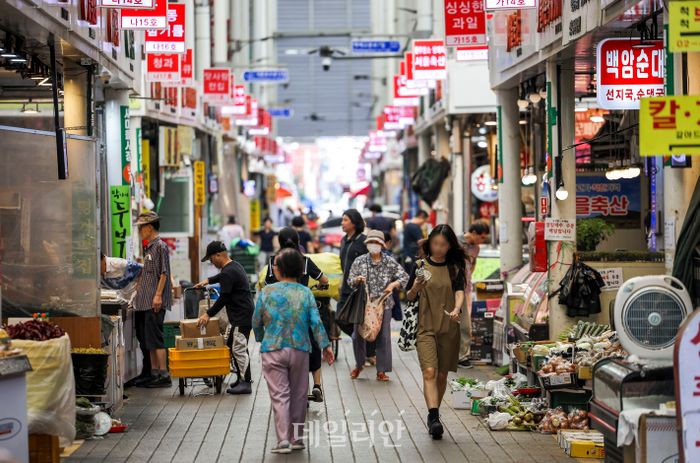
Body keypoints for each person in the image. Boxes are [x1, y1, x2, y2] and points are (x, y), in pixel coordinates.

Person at [253, 248, 335, 454]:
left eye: (275, 265)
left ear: (280, 270)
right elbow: (316, 322)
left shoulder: (267, 292)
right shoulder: (305, 292)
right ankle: (297, 439)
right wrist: (326, 346)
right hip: (300, 349)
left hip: (272, 349)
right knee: (299, 394)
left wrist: (262, 339)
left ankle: (283, 441)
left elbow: (255, 321)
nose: (273, 267)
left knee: (280, 395)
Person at [406, 224, 467, 439]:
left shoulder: (454, 268)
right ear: (429, 242)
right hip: (426, 327)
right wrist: (415, 287)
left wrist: (457, 309)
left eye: (443, 244)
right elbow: (410, 296)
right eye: (435, 243)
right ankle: (433, 417)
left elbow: (460, 292)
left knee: (442, 374)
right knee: (430, 371)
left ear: (450, 246)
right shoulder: (420, 266)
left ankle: (435, 412)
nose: (438, 248)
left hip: (449, 326)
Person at [262, 227, 330, 402]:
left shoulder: (273, 262)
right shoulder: (305, 261)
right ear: (298, 241)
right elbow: (324, 280)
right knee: (313, 345)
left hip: (280, 316)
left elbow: (267, 286)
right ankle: (317, 385)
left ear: (279, 241)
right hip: (303, 312)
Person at [195, 240, 255, 394]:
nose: (211, 262)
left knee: (238, 347)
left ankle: (246, 383)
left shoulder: (228, 271)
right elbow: (223, 276)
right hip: (241, 314)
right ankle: (241, 379)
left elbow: (224, 298)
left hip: (241, 315)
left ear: (218, 255)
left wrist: (208, 314)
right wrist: (208, 280)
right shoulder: (233, 266)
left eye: (211, 259)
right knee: (231, 343)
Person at [348, 230, 408, 381]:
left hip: (384, 304)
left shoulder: (389, 261)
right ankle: (359, 364)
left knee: (383, 337)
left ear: (382, 245)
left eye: (376, 243)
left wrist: (393, 284)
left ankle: (381, 370)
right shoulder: (360, 261)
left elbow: (404, 277)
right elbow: (350, 281)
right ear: (367, 244)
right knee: (357, 336)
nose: (373, 245)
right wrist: (357, 280)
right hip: (363, 305)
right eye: (370, 243)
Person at [133, 212, 173, 388]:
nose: (140, 231)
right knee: (148, 338)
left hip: (154, 301)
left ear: (149, 227)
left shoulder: (160, 247)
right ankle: (154, 373)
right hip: (145, 301)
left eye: (141, 227)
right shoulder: (148, 247)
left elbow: (164, 273)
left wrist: (157, 295)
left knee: (156, 338)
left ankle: (164, 374)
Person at [101, 254, 145, 387]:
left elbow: (142, 269)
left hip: (132, 299)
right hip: (118, 300)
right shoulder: (99, 272)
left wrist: (139, 287)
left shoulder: (118, 264)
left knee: (141, 338)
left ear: (103, 259)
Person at [458, 221, 491, 369]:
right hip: (450, 289)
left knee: (465, 325)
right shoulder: (455, 242)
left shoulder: (476, 249)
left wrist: (468, 278)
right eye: (482, 238)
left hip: (465, 290)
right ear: (473, 233)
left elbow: (473, 264)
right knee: (447, 325)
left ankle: (462, 356)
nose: (482, 241)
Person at [337, 209, 368, 335]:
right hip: (345, 287)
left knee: (359, 319)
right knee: (340, 318)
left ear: (354, 223)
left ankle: (365, 345)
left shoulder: (364, 241)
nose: (342, 223)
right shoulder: (343, 240)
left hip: (359, 289)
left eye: (345, 220)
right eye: (342, 220)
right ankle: (358, 337)